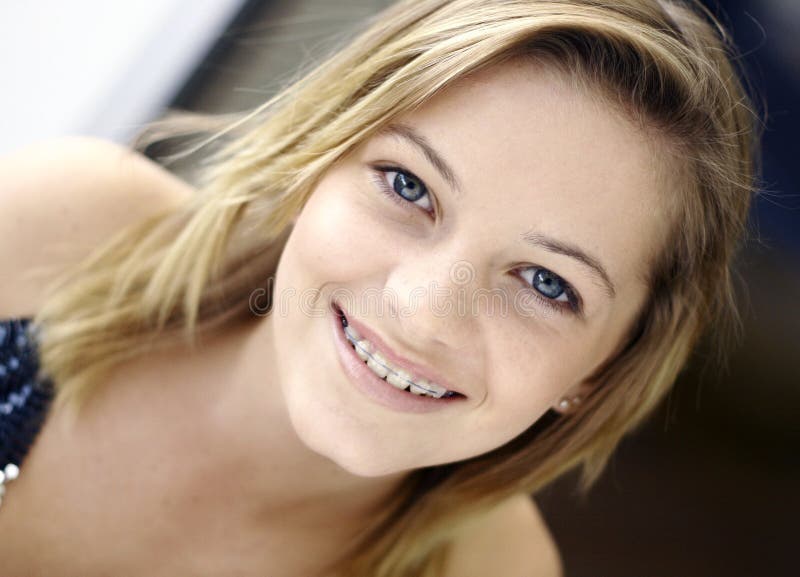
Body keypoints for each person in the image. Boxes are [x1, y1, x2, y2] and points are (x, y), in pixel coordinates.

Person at [0, 0, 761, 575]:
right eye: (407, 185)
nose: (423, 309)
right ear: (320, 156)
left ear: (600, 372)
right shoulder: (66, 228)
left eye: (544, 282)